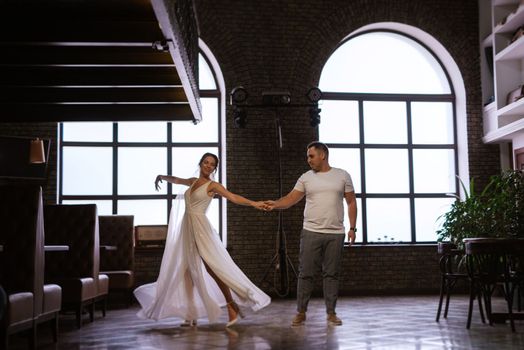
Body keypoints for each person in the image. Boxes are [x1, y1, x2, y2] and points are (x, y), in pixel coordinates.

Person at [134, 152, 271, 328]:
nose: (208, 166)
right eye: (206, 162)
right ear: (200, 163)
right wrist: (162, 176)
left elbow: (233, 197)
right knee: (187, 270)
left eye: (212, 164)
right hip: (187, 228)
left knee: (212, 267)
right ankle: (191, 314)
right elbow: (176, 180)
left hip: (200, 228)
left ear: (215, 168)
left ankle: (232, 305)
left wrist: (254, 203)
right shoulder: (192, 181)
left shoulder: (213, 185)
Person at [264, 141, 357, 326]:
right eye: (308, 156)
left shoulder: (342, 175)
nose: (308, 160)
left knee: (331, 274)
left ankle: (331, 313)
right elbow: (291, 198)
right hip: (311, 232)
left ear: (323, 155)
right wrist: (275, 204)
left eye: (311, 156)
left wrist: (353, 228)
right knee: (305, 274)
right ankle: (301, 312)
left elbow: (351, 203)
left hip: (336, 233)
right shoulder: (306, 177)